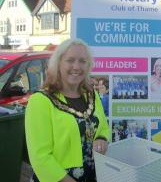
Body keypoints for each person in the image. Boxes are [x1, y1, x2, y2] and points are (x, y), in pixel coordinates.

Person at [25, 38, 110, 182]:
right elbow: (40, 157)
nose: (76, 66)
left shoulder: (92, 95)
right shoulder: (40, 101)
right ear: (58, 64)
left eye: (82, 61)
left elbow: (103, 127)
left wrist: (102, 138)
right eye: (70, 60)